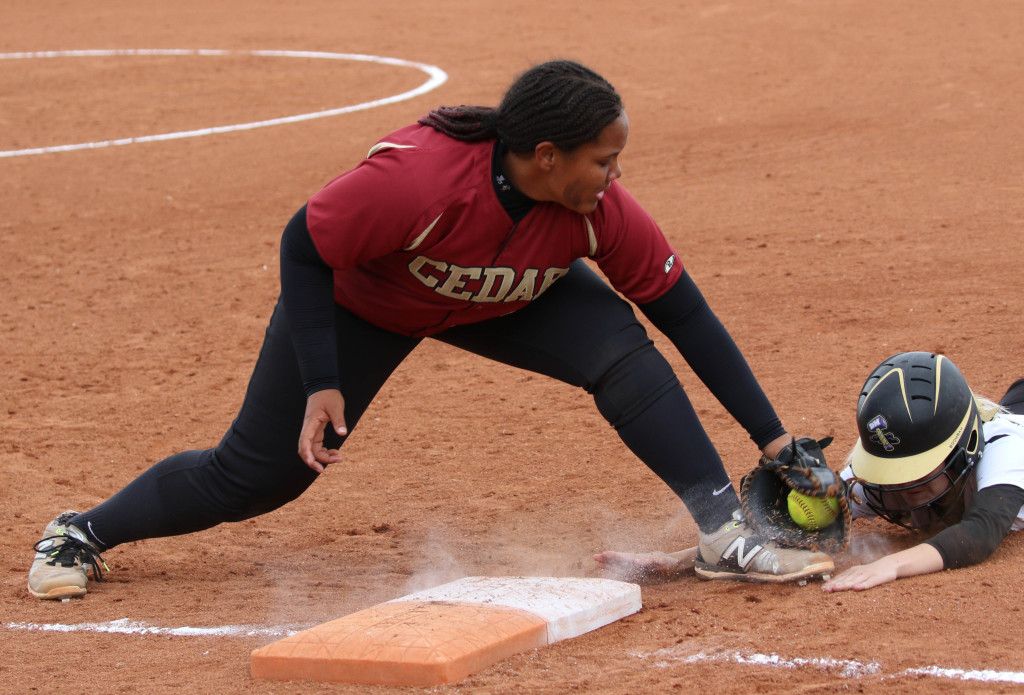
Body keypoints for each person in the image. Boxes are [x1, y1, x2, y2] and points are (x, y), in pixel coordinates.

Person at [28, 59, 833, 601]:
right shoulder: (417, 179)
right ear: (546, 156)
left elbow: (683, 313)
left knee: (621, 347)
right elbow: (302, 245)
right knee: (259, 475)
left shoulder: (596, 215)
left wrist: (772, 439)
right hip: (364, 305)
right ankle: (81, 530)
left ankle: (723, 532)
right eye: (603, 159)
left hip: (511, 296)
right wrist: (321, 379)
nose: (615, 176)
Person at [595, 352, 1024, 592]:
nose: (905, 494)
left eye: (919, 478)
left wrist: (892, 567)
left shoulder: (1007, 450)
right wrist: (681, 559)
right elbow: (794, 527)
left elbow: (981, 532)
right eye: (896, 479)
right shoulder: (881, 481)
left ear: (966, 452)